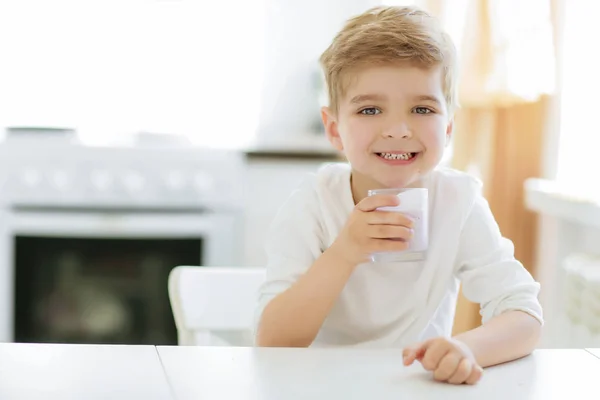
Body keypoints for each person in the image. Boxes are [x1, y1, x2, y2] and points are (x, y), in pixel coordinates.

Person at [253, 5, 542, 385]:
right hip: (318, 387)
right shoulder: (312, 205)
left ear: (449, 127)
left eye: (422, 108)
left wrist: (468, 348)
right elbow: (273, 340)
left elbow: (524, 315)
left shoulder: (458, 201)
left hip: (414, 387)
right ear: (335, 128)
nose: (398, 129)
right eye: (370, 109)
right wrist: (344, 252)